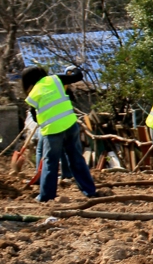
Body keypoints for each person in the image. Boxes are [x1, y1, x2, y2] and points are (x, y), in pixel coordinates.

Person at [22, 65, 98, 204]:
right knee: (76, 158)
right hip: (70, 124)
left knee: (50, 163)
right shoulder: (55, 79)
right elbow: (77, 77)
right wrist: (75, 70)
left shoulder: (32, 95)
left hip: (52, 131)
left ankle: (46, 196)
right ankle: (90, 191)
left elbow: (34, 117)